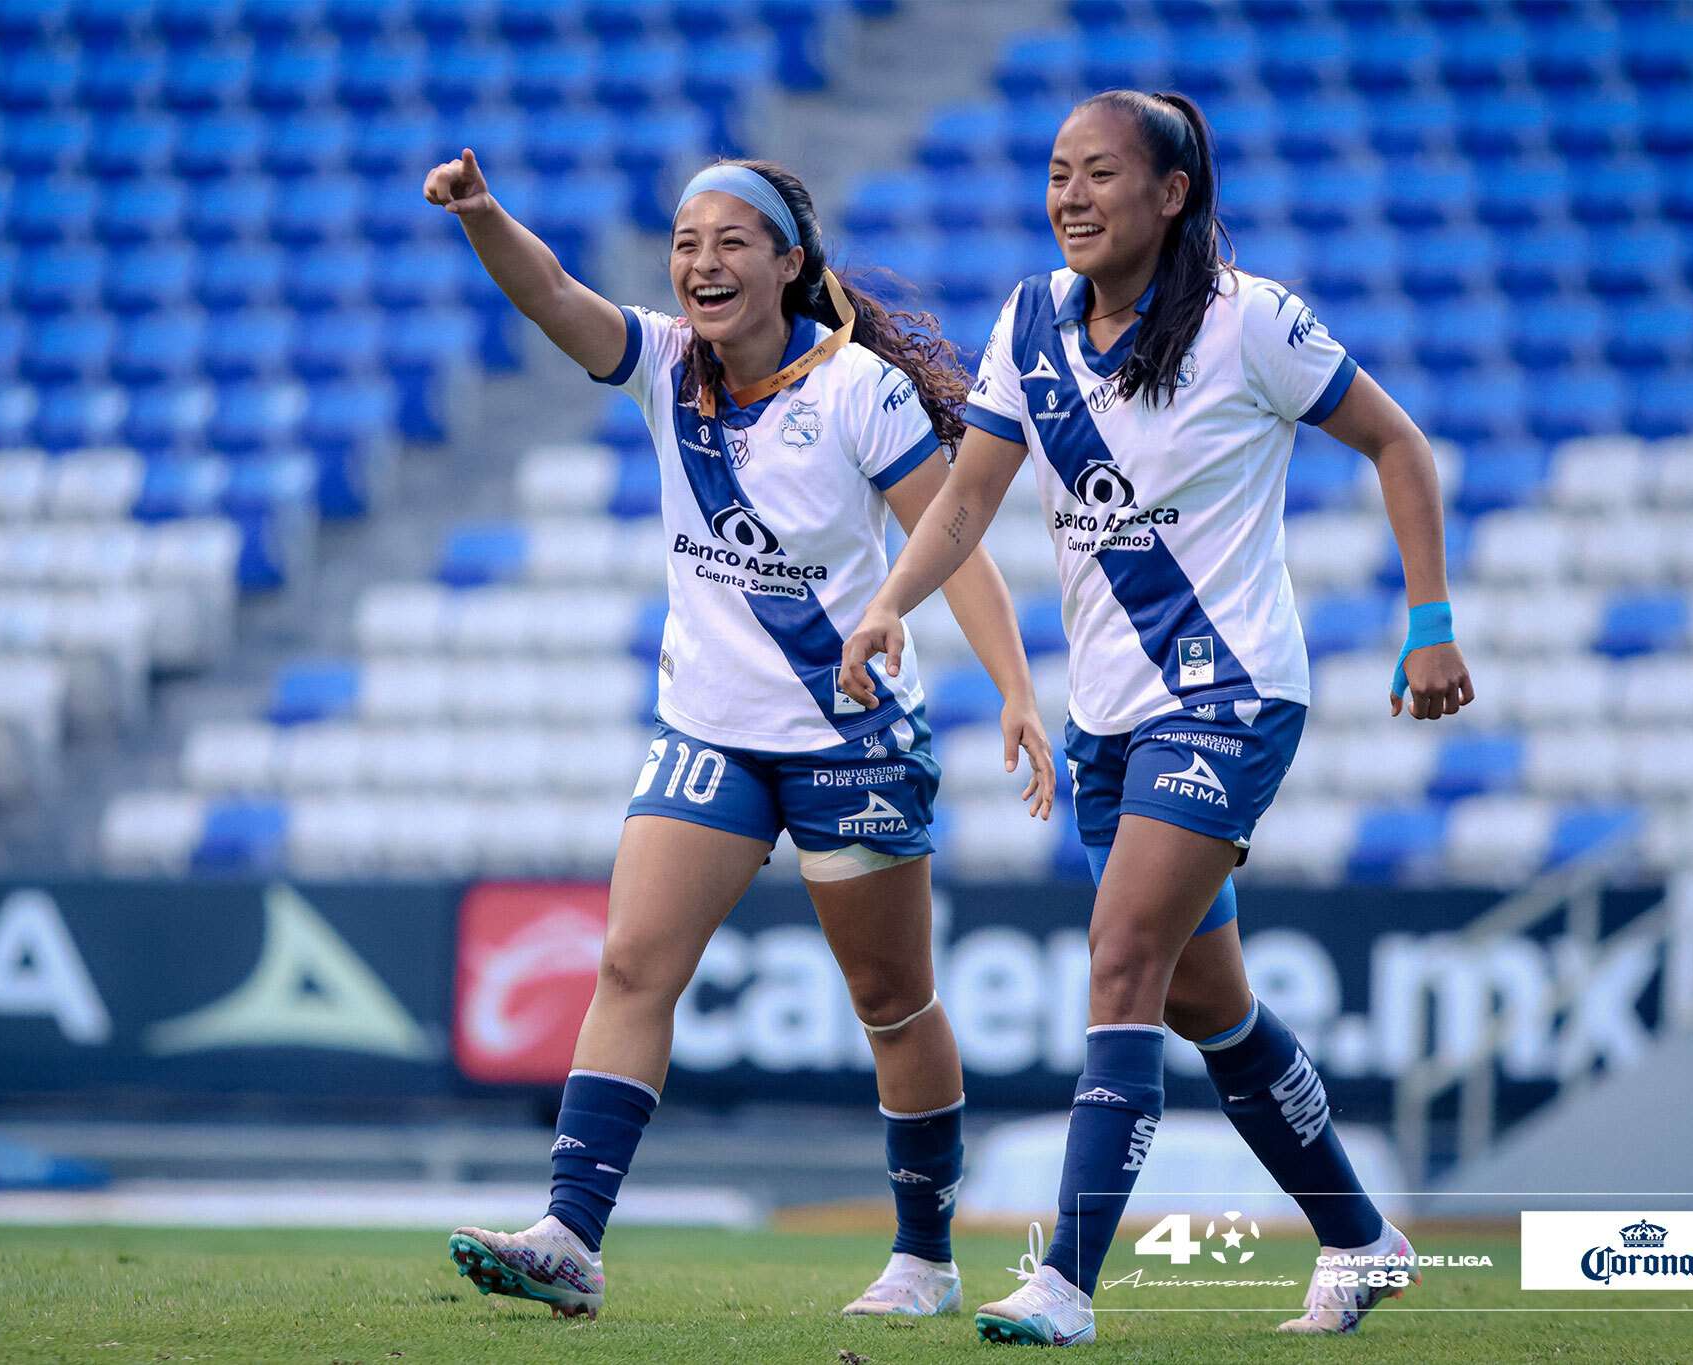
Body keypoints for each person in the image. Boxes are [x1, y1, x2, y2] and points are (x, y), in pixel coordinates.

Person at [840, 90, 1476, 1345]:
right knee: (1204, 1005)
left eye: (1097, 175)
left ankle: (1065, 1281)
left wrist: (1426, 620)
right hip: (1110, 718)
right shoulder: (1027, 320)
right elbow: (964, 504)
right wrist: (885, 607)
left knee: (1120, 957)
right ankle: (1361, 1240)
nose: (1068, 197)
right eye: (1055, 174)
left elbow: (1399, 447)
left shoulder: (1255, 323)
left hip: (1231, 697)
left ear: (1170, 193)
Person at [423, 149, 1055, 1321]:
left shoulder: (858, 390)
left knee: (891, 1003)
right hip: (706, 731)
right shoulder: (665, 361)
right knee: (629, 964)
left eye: (727, 243)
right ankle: (570, 1235)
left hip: (849, 743)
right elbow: (556, 295)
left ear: (787, 265)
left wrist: (1015, 691)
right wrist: (482, 216)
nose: (699, 264)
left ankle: (922, 1257)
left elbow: (954, 540)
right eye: (683, 243)